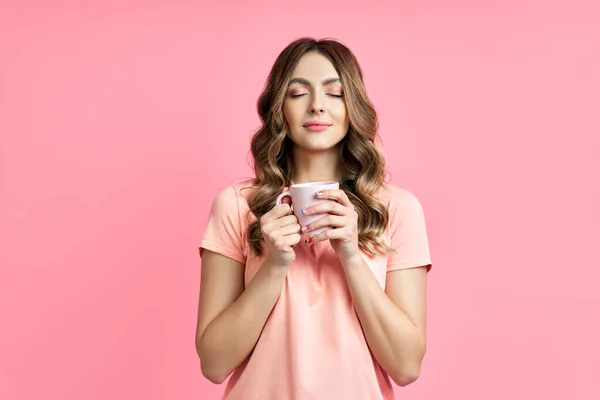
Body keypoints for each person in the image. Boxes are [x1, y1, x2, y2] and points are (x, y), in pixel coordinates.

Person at [195, 37, 433, 400]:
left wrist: (352, 257)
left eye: (335, 93)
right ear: (279, 108)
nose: (317, 106)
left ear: (353, 107)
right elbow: (213, 364)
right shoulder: (238, 206)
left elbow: (406, 366)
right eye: (297, 93)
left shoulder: (397, 209)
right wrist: (273, 266)